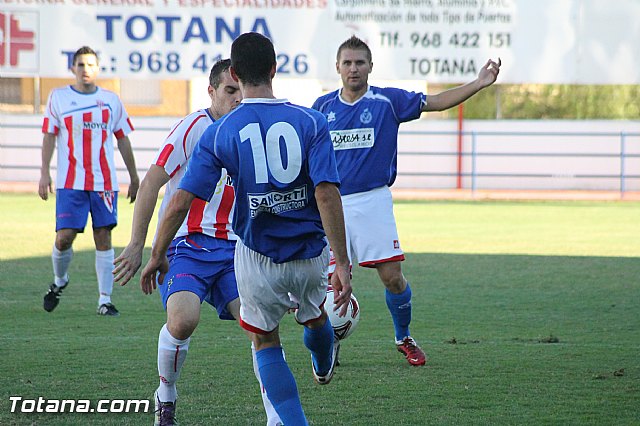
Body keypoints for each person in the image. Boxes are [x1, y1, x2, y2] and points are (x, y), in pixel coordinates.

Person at [140, 32, 352, 425]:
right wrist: (342, 261)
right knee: (316, 320)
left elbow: (181, 199)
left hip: (254, 257)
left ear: (236, 73)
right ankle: (322, 361)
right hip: (309, 254)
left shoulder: (222, 130)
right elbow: (326, 195)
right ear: (275, 69)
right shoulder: (313, 121)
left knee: (265, 339)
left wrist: (155, 254)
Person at [312, 35, 501, 366]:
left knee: (392, 278)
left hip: (373, 201)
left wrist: (479, 83)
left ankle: (403, 337)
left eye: (360, 62)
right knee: (328, 285)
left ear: (370, 66)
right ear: (337, 67)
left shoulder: (388, 101)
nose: (353, 69)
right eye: (347, 63)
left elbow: (438, 101)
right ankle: (328, 345)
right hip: (332, 204)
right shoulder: (321, 108)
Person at [112, 59, 282, 426]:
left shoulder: (252, 131)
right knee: (184, 320)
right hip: (186, 246)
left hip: (236, 250)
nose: (238, 99)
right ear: (212, 92)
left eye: (241, 90)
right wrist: (136, 243)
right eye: (229, 91)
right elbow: (152, 182)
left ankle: (276, 416)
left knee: (261, 326)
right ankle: (166, 394)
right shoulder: (194, 128)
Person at [40, 46, 139, 316]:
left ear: (97, 69)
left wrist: (133, 175)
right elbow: (49, 135)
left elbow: (123, 138)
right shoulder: (58, 97)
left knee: (103, 236)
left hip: (104, 182)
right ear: (73, 68)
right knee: (64, 238)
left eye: (90, 65)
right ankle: (60, 280)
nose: (85, 69)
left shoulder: (110, 100)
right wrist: (44, 172)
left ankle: (104, 300)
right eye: (80, 64)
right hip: (70, 181)